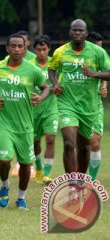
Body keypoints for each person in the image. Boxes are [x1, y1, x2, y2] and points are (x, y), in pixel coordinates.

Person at [0, 34, 49, 210]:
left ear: (25, 48)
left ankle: (21, 197)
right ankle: (5, 184)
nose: (16, 50)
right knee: (4, 159)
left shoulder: (33, 70)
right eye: (12, 46)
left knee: (26, 164)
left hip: (26, 125)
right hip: (4, 123)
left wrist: (41, 98)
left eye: (20, 46)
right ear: (7, 48)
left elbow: (46, 88)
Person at [48, 19, 110, 186]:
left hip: (88, 107)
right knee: (69, 144)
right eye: (74, 30)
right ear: (70, 32)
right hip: (67, 104)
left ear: (86, 33)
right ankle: (71, 184)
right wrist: (54, 84)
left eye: (80, 30)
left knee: (84, 147)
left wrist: (94, 74)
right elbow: (51, 68)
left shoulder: (97, 52)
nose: (77, 33)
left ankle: (81, 181)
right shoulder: (61, 52)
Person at [29, 36, 58, 185]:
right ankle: (38, 167)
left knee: (51, 139)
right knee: (35, 143)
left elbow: (61, 82)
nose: (41, 52)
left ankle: (47, 173)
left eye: (44, 49)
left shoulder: (55, 63)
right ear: (35, 50)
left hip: (51, 108)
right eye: (39, 50)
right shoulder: (29, 66)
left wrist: (57, 87)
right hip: (33, 110)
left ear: (49, 49)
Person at [10, 30, 36, 177]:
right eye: (14, 45)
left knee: (34, 137)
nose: (18, 48)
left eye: (23, 43)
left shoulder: (33, 60)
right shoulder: (7, 61)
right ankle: (19, 164)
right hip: (14, 105)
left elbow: (41, 81)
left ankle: (32, 166)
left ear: (27, 44)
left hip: (31, 105)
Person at [86, 31, 108, 180]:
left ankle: (91, 181)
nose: (100, 49)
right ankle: (76, 178)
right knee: (80, 145)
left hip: (95, 106)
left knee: (94, 142)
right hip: (76, 107)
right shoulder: (78, 57)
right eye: (97, 47)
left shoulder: (101, 55)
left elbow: (104, 71)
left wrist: (104, 85)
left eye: (101, 46)